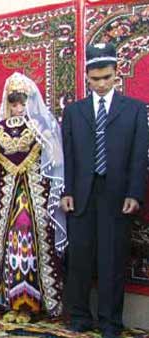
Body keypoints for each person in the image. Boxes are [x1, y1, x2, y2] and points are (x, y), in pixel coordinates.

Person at [61, 43, 148, 338]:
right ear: (87, 76)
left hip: (117, 195)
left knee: (112, 260)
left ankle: (110, 322)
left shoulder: (135, 110)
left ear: (116, 74)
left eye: (106, 78)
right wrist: (67, 191)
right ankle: (79, 317)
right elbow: (68, 155)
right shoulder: (74, 112)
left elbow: (139, 155)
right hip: (82, 195)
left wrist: (134, 194)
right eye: (95, 79)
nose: (101, 84)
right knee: (80, 259)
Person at [0, 72, 66, 321]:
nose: (18, 108)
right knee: (9, 243)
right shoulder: (0, 129)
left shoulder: (42, 126)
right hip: (9, 196)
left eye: (22, 102)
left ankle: (32, 302)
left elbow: (57, 159)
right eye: (13, 102)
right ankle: (10, 299)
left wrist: (45, 139)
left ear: (30, 100)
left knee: (30, 240)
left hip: (35, 195)